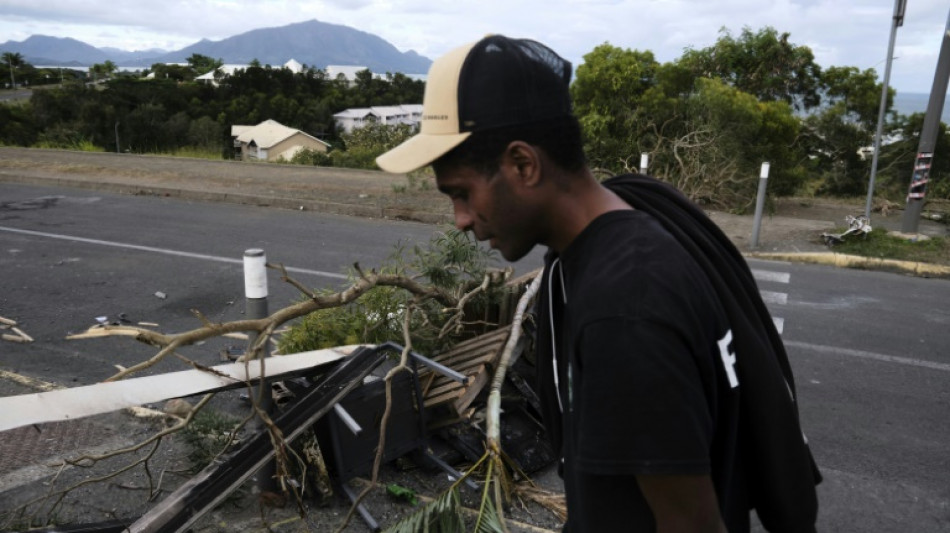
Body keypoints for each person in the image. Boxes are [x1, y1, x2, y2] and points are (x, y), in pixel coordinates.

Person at [377, 34, 820, 532]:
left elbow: (691, 524)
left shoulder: (624, 308)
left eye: (462, 193)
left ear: (523, 164)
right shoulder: (638, 216)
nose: (459, 219)